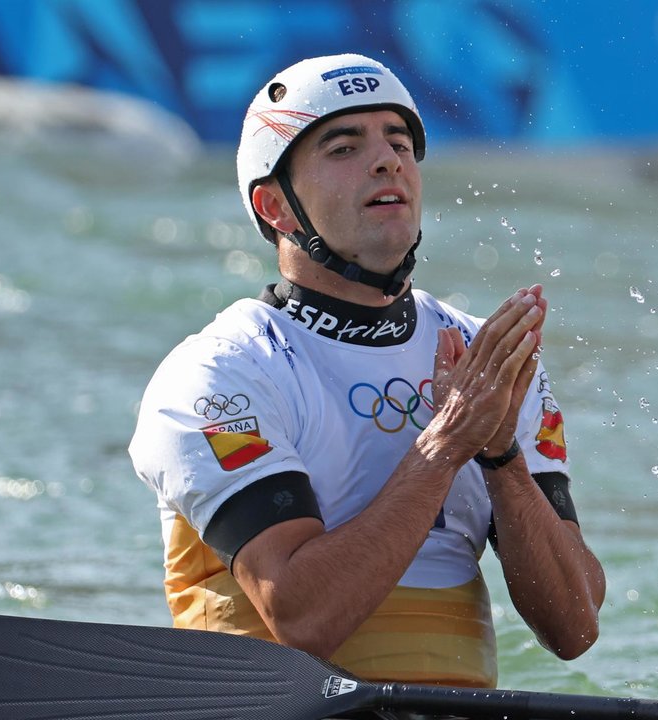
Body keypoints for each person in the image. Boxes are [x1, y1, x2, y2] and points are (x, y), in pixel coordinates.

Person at [129, 53, 605, 691]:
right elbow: (301, 617)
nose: (388, 161)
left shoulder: (484, 358)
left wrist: (500, 457)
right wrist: (446, 447)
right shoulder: (220, 373)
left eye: (400, 141)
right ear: (276, 207)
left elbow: (574, 628)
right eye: (344, 146)